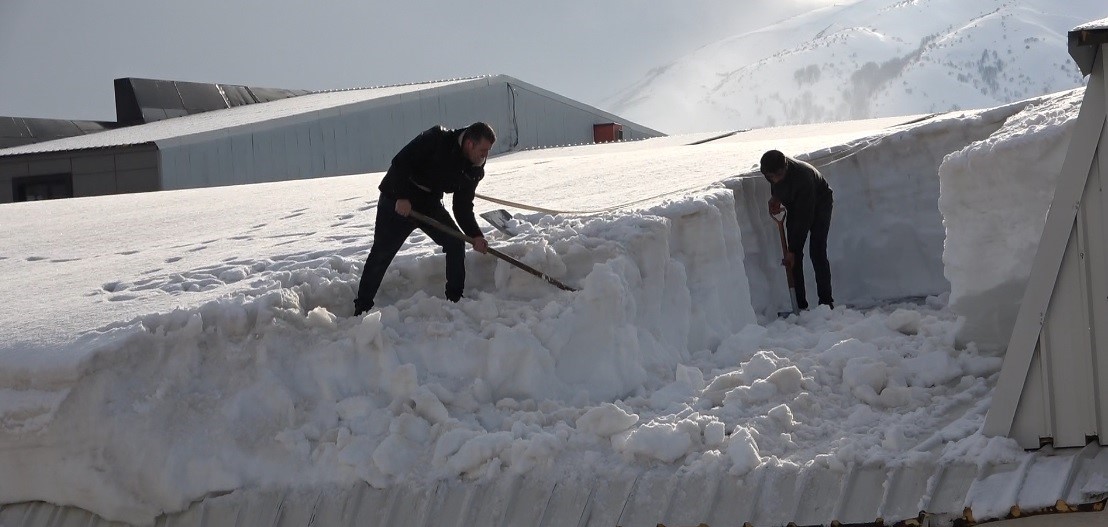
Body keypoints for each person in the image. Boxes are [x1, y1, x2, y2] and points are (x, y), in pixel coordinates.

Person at [353, 122, 496, 316]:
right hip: (397, 199)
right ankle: (362, 308)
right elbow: (400, 163)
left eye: (487, 151)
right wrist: (401, 196)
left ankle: (455, 300)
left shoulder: (475, 165)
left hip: (429, 203)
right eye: (483, 150)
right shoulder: (436, 139)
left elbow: (462, 206)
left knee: (455, 242)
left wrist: (475, 235)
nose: (485, 156)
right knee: (381, 253)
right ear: (470, 143)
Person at [760, 149, 834, 310]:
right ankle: (800, 305)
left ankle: (826, 303)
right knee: (794, 259)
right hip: (795, 205)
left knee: (817, 251)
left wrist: (793, 250)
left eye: (778, 175)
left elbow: (804, 218)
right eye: (771, 176)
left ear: (785, 167)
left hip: (820, 202)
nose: (775, 179)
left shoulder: (803, 178)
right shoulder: (771, 171)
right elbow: (778, 185)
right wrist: (776, 197)